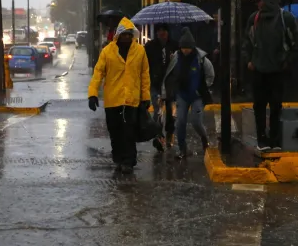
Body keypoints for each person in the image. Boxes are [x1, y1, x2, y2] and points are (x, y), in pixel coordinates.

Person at [243, 0, 298, 151]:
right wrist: (248, 60)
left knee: (276, 106)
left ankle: (275, 140)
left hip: (277, 71)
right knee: (259, 106)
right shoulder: (253, 19)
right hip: (258, 70)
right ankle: (262, 139)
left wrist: (287, 61)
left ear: (269, 1)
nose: (258, 4)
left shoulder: (287, 19)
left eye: (260, 1)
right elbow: (246, 42)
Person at [88, 17, 151, 174]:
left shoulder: (140, 51)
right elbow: (98, 73)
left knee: (129, 132)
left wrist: (145, 96)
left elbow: (145, 74)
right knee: (115, 132)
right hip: (113, 100)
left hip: (131, 100)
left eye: (129, 35)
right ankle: (118, 159)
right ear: (118, 35)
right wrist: (92, 94)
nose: (127, 38)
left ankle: (129, 161)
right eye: (124, 35)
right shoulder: (107, 52)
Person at [162, 27, 214, 159]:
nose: (185, 50)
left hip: (197, 96)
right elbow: (169, 75)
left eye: (188, 47)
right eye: (183, 47)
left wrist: (203, 88)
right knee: (180, 122)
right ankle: (182, 149)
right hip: (182, 95)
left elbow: (210, 75)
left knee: (196, 121)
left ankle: (204, 138)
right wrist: (168, 92)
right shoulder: (176, 58)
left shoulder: (201, 59)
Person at [145, 24, 179, 151]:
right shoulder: (150, 47)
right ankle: (159, 136)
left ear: (168, 32)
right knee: (158, 111)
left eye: (164, 30)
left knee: (171, 113)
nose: (161, 33)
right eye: (159, 30)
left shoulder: (175, 46)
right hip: (156, 84)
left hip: (171, 86)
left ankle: (170, 133)